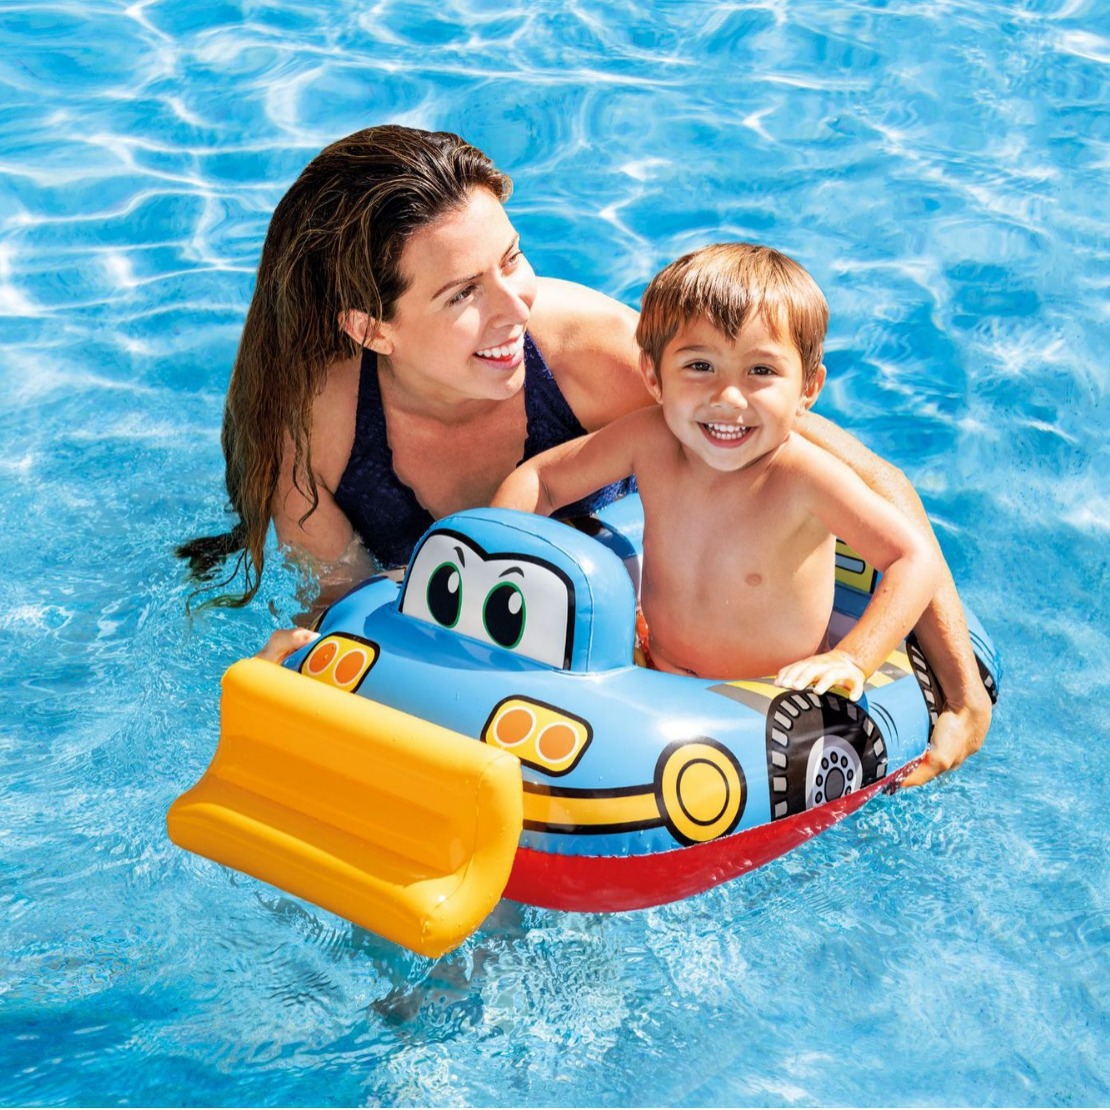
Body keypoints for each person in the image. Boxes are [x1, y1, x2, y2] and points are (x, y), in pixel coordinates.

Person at [182, 125, 989, 784]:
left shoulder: (589, 353)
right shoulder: (314, 435)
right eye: (462, 294)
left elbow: (872, 481)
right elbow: (343, 606)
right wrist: (311, 663)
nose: (514, 306)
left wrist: (959, 692)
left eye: (511, 259)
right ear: (372, 328)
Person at [491, 241, 940, 698]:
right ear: (653, 376)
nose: (727, 398)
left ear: (808, 388)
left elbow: (912, 557)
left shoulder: (806, 479)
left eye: (760, 371)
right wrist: (498, 564)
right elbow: (542, 480)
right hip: (652, 666)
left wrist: (852, 658)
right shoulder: (649, 440)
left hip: (769, 697)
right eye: (700, 365)